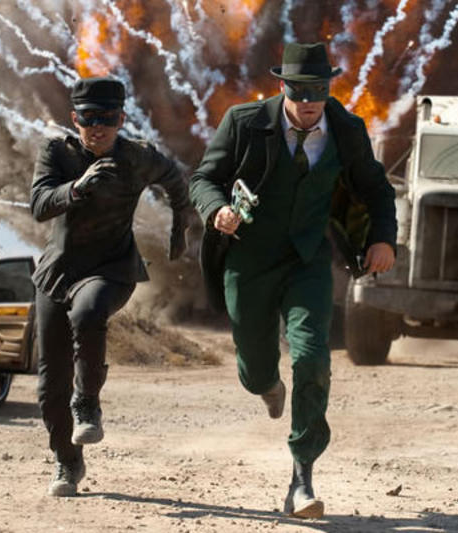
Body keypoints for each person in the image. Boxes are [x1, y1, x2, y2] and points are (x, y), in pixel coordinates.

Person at [189, 42, 397, 518]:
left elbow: (376, 188)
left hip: (308, 261)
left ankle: (302, 476)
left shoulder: (346, 129)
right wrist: (216, 209)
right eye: (299, 90)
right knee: (254, 365)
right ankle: (266, 384)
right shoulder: (244, 122)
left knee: (311, 357)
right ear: (282, 86)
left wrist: (384, 240)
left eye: (318, 90)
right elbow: (203, 178)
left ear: (328, 89)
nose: (308, 101)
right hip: (249, 259)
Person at [30, 76, 191, 497]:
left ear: (121, 120)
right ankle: (68, 461)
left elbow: (176, 182)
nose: (97, 127)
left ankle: (88, 402)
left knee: (88, 313)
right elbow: (39, 205)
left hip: (112, 270)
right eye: (89, 118)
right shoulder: (57, 152)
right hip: (58, 272)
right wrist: (77, 188)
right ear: (75, 119)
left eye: (107, 118)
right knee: (50, 387)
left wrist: (180, 229)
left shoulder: (137, 157)